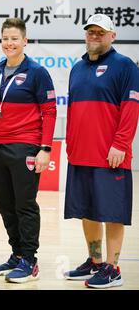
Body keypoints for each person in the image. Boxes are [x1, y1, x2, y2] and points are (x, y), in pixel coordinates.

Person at [63, 14, 138, 289]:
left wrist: (120, 143)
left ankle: (113, 267)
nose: (94, 35)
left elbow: (131, 109)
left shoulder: (125, 66)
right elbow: (72, 111)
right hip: (80, 154)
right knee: (87, 210)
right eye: (90, 31)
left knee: (113, 212)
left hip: (111, 155)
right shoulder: (77, 68)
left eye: (100, 32)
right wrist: (70, 144)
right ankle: (95, 262)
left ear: (112, 36)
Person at [0, 18, 57, 283]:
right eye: (5, 38)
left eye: (14, 38)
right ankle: (16, 254)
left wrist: (45, 148)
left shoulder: (37, 72)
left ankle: (30, 260)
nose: (9, 43)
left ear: (25, 41)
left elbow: (49, 111)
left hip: (26, 146)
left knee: (24, 205)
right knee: (5, 205)